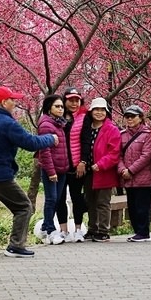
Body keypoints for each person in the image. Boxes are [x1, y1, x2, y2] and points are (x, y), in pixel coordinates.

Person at [0, 86, 60, 260]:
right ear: (3, 102)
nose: (15, 103)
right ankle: (15, 246)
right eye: (12, 100)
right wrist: (50, 138)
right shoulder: (7, 123)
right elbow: (30, 143)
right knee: (24, 207)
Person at [81, 97, 121, 242]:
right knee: (90, 200)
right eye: (96, 109)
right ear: (91, 111)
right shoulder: (87, 127)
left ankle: (103, 230)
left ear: (107, 112)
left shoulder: (111, 129)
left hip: (104, 171)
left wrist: (101, 164)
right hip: (89, 171)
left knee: (103, 202)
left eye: (102, 110)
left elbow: (114, 153)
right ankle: (92, 229)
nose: (99, 112)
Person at [37, 94, 71, 244]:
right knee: (51, 200)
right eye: (57, 106)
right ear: (49, 108)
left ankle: (46, 226)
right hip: (52, 170)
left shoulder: (59, 124)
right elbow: (45, 151)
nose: (61, 109)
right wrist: (51, 172)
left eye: (62, 106)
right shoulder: (46, 125)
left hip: (62, 169)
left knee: (56, 199)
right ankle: (50, 230)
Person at [118, 104, 151, 242]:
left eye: (133, 116)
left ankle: (143, 232)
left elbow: (146, 155)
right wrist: (122, 170)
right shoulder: (122, 135)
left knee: (142, 207)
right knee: (132, 206)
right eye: (127, 116)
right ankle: (137, 232)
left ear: (140, 118)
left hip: (142, 177)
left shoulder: (148, 134)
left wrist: (131, 170)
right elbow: (118, 155)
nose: (129, 119)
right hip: (127, 178)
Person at [63, 87, 89, 242]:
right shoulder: (58, 116)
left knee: (76, 196)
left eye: (76, 100)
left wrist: (83, 162)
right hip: (61, 165)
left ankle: (78, 229)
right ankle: (63, 230)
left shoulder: (84, 117)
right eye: (70, 100)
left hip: (77, 165)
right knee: (59, 198)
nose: (74, 103)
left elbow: (86, 141)